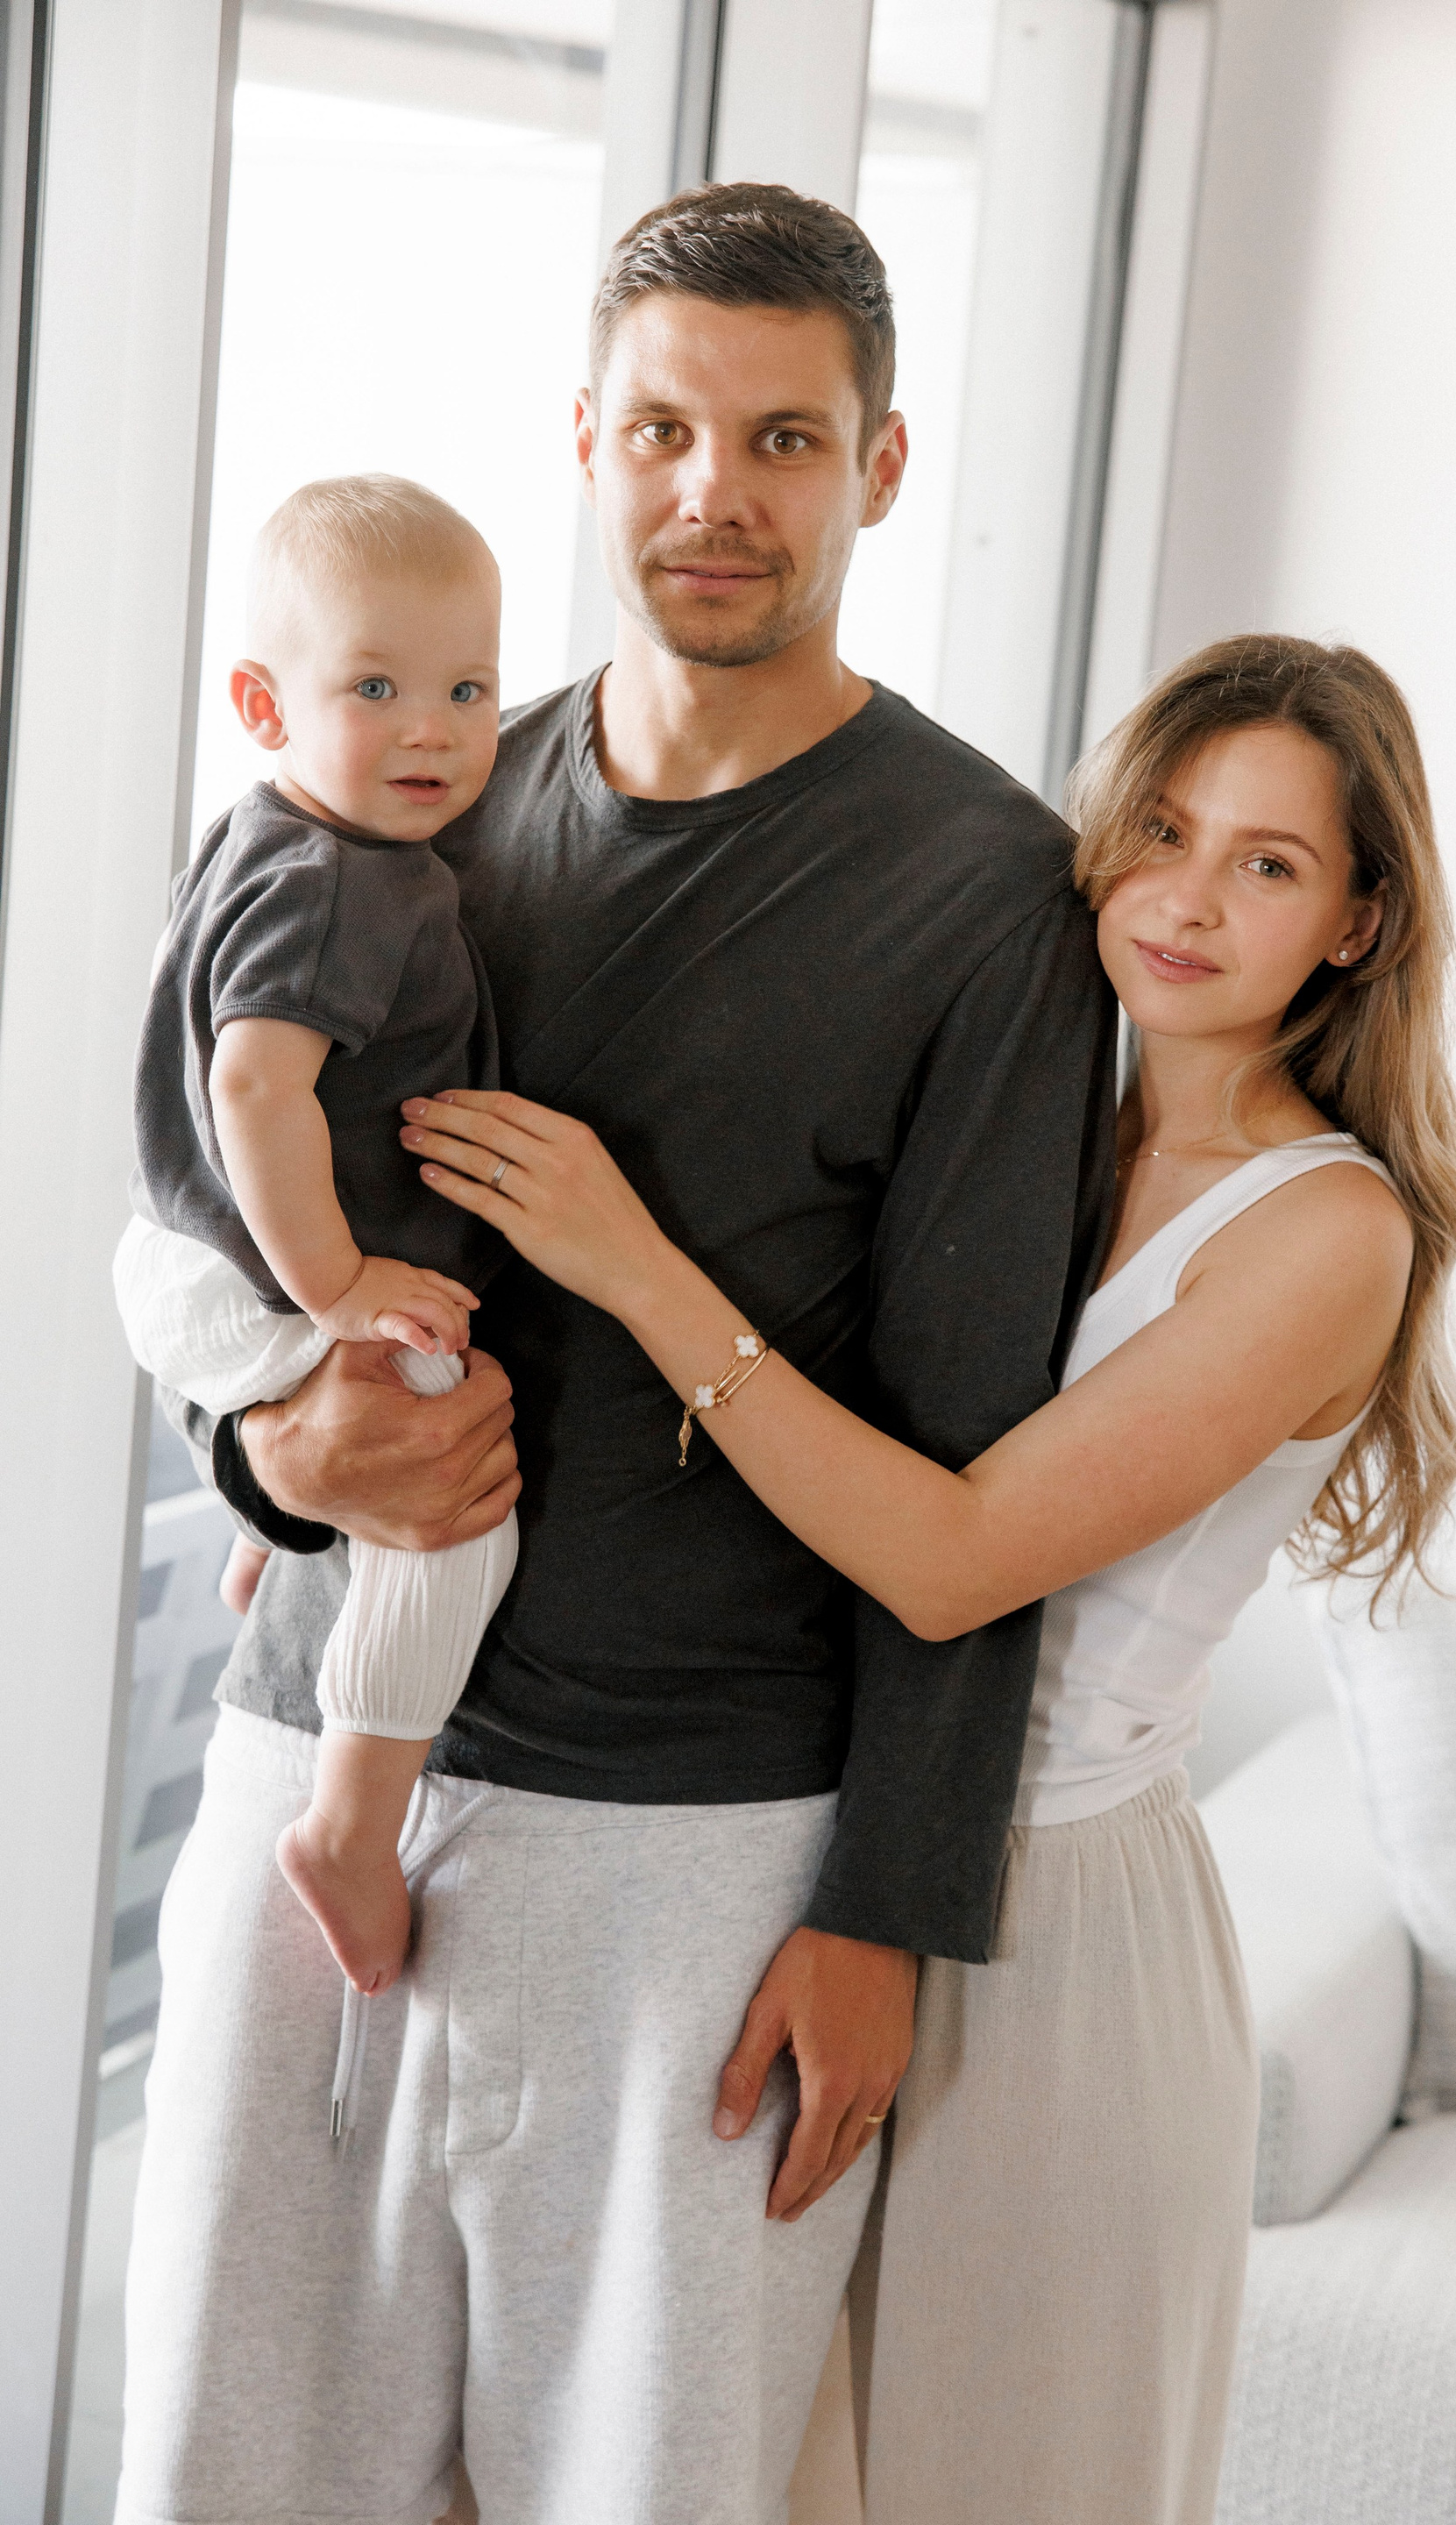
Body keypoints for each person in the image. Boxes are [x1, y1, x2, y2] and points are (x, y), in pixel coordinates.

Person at [117, 183, 1114, 2525]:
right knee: (223, 2479)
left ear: (880, 466)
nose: (712, 492)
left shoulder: (985, 892)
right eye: (663, 428)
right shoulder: (417, 794)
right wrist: (264, 1454)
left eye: (785, 439)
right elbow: (185, 1210)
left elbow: (981, 1438)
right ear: (586, 436)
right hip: (315, 1767)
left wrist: (885, 1908)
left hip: (694, 1855)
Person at [395, 633, 1456, 2525]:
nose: (1187, 900)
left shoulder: (1326, 1232)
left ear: (1360, 926)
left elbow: (949, 1560)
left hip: (1055, 1929)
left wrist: (632, 1262)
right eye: (1164, 830)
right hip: (830, 1858)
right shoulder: (1042, 1122)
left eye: (1269, 864)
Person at [114, 475, 518, 2001]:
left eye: (469, 690)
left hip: (185, 1250)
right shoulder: (347, 883)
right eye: (376, 689)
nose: (434, 731)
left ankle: (261, 1543)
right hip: (262, 1270)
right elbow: (256, 1083)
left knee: (361, 1445)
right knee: (457, 1514)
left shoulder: (264, 828)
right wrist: (338, 1288)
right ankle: (350, 1828)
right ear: (262, 703)